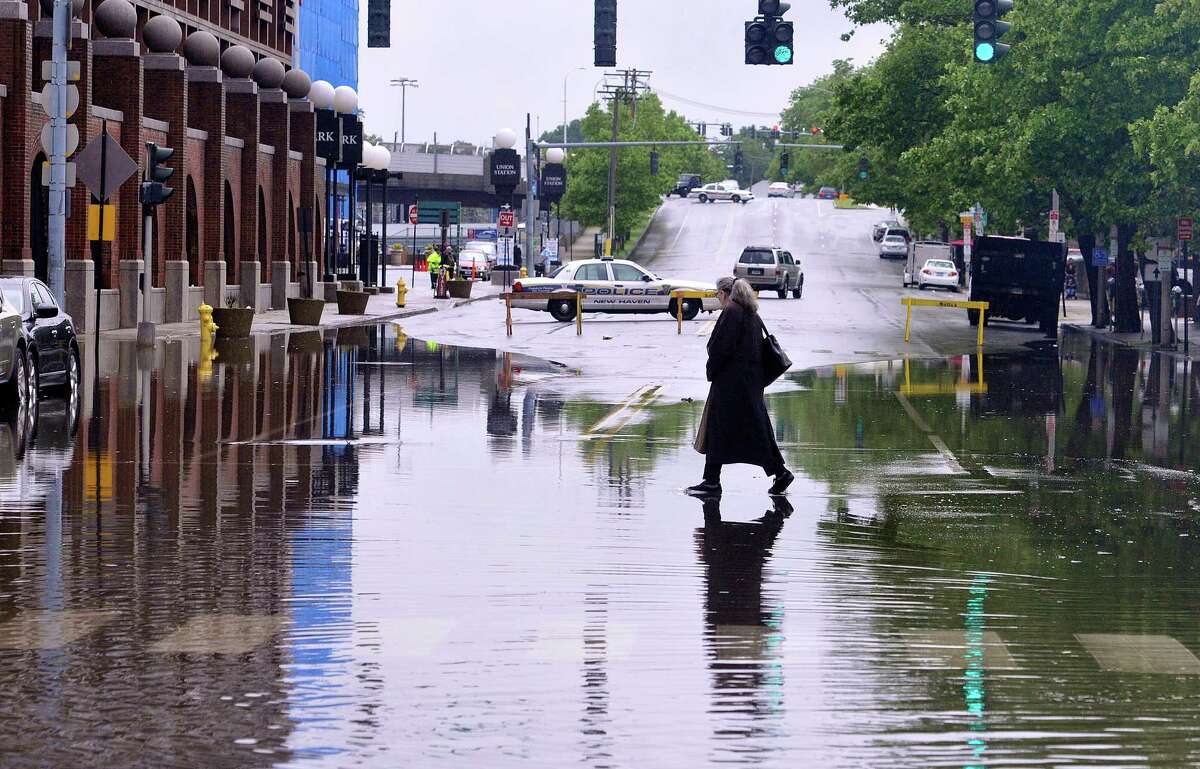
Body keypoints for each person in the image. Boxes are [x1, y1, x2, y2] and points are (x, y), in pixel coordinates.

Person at [688, 277, 794, 497]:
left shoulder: (731, 312)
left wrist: (712, 370)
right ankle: (779, 472)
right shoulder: (750, 314)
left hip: (730, 385)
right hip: (749, 384)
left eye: (718, 293)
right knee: (757, 430)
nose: (717, 297)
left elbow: (720, 349)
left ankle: (711, 482)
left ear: (727, 293)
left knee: (718, 429)